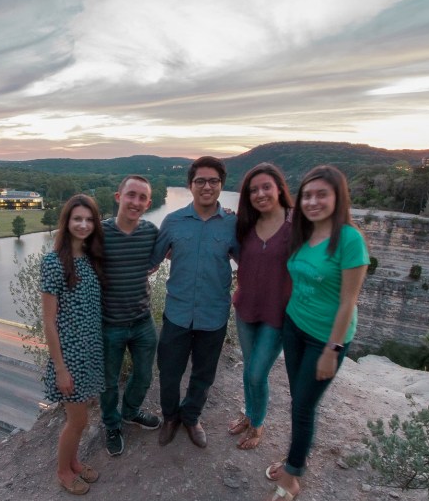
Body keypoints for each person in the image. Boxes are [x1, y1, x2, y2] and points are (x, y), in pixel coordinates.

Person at [262, 165, 369, 501]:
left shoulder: (349, 240)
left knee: (304, 406)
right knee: (299, 400)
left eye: (322, 194)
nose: (313, 201)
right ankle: (296, 455)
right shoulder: (304, 233)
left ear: (338, 198)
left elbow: (348, 302)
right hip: (295, 326)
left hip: (326, 338)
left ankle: (293, 476)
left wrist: (332, 350)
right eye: (307, 195)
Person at [150, 156, 239, 449]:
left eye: (213, 181)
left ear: (221, 185)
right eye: (200, 180)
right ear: (190, 185)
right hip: (177, 314)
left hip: (213, 315)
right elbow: (151, 261)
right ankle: (170, 417)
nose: (206, 186)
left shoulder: (232, 223)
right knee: (169, 372)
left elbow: (250, 261)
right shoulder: (173, 221)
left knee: (203, 373)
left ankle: (191, 417)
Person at [41, 194, 105, 495]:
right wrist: (60, 369)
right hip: (70, 356)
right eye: (77, 218)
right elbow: (49, 321)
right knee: (76, 420)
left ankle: (75, 462)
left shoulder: (91, 259)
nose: (83, 224)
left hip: (90, 352)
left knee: (81, 420)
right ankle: (63, 472)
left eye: (89, 219)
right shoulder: (53, 263)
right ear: (66, 222)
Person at [228, 163, 293, 450]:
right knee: (248, 369)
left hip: (277, 314)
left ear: (279, 188)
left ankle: (257, 423)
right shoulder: (245, 225)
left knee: (257, 372)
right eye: (253, 190)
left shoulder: (297, 226)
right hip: (245, 308)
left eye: (266, 187)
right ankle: (249, 412)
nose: (260, 193)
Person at [100, 175, 162, 456]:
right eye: (131, 195)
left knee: (145, 374)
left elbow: (179, 247)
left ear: (148, 204)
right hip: (109, 324)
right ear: (118, 197)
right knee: (109, 382)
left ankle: (131, 412)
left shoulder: (151, 232)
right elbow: (70, 254)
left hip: (142, 320)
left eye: (142, 198)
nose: (135, 202)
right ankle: (112, 424)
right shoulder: (98, 233)